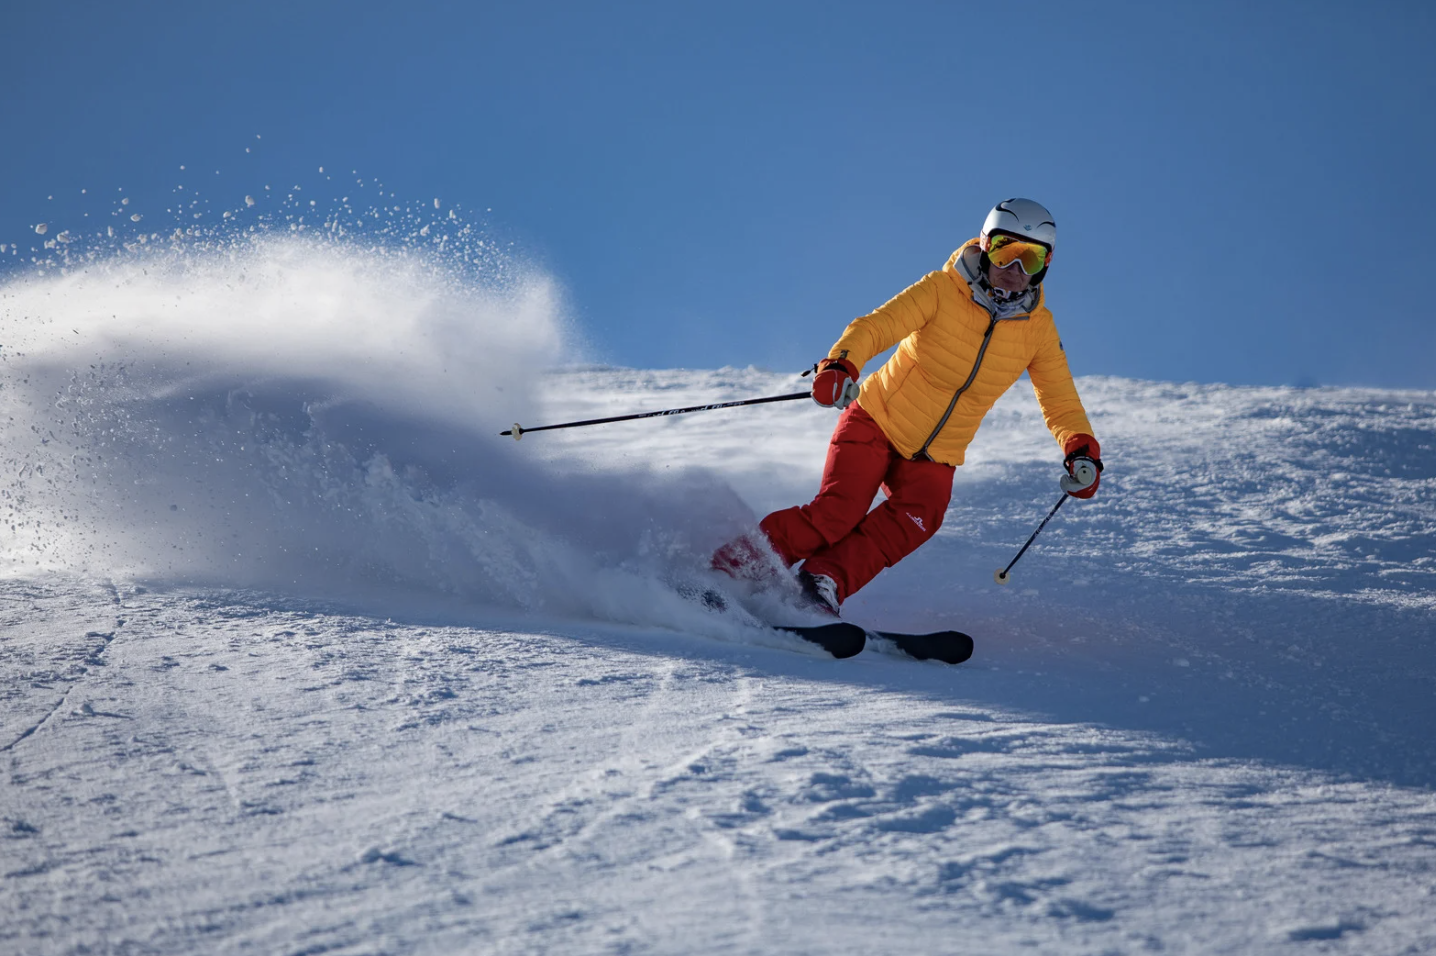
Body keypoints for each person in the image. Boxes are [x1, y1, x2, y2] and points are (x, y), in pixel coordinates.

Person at [713, 198, 1103, 615]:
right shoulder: (942, 289)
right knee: (837, 512)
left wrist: (1081, 450)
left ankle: (821, 582)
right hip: (877, 420)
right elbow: (876, 326)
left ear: (1046, 264)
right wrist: (841, 365)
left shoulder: (1038, 330)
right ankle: (732, 570)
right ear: (986, 246)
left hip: (937, 454)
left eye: (1032, 258)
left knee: (918, 518)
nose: (1016, 268)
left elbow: (1059, 397)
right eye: (1007, 251)